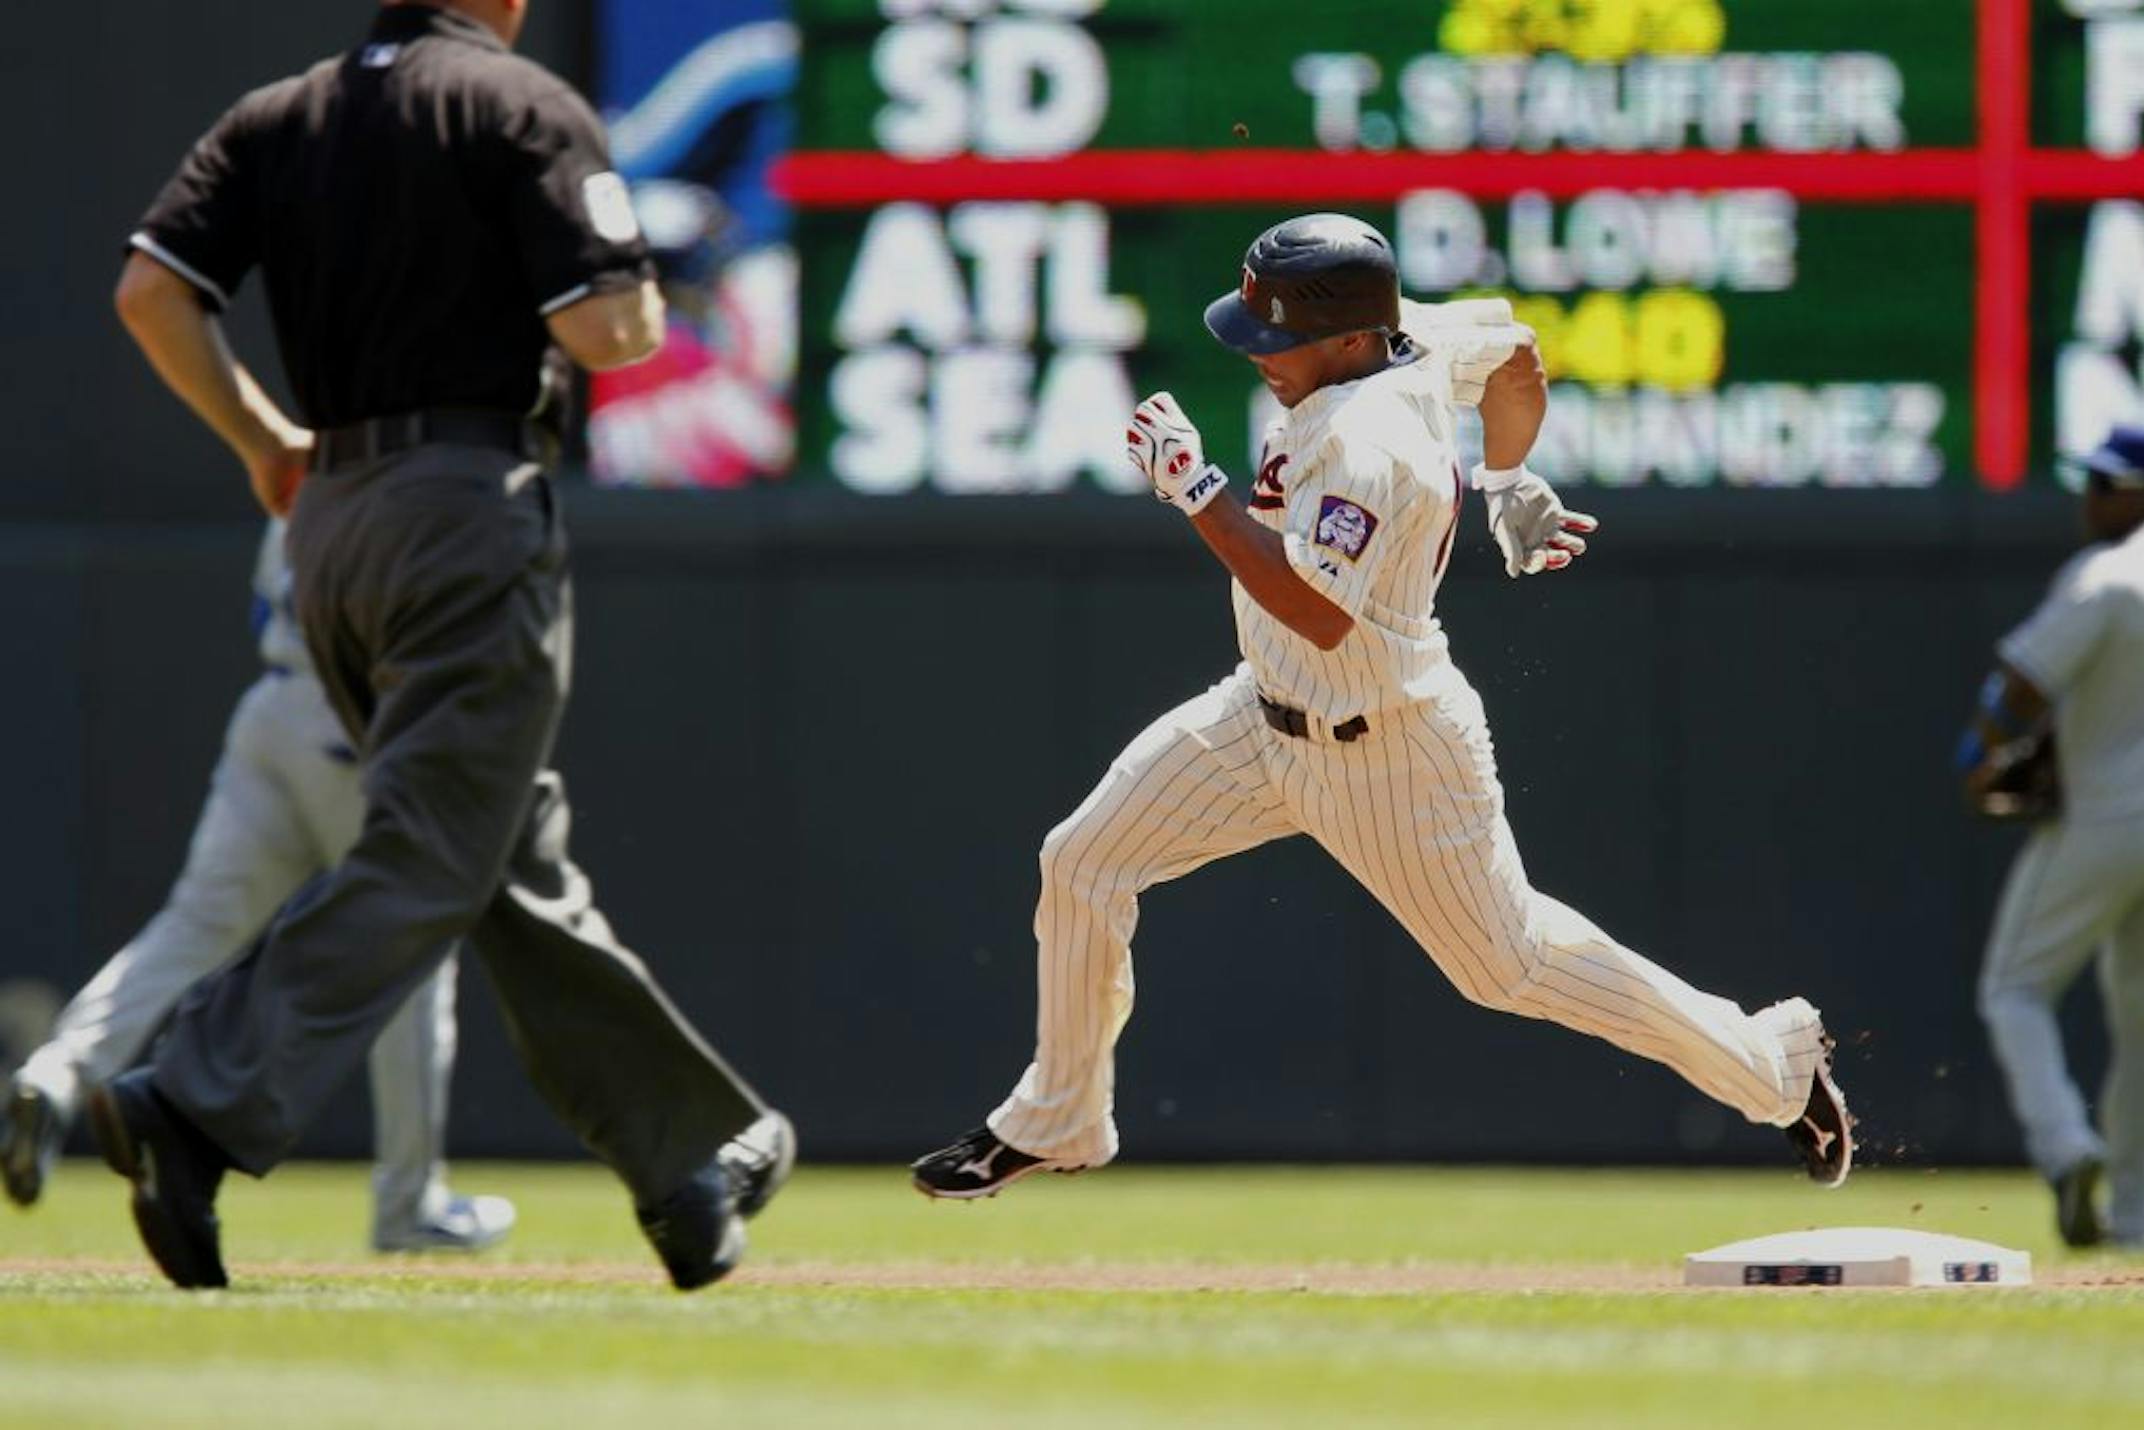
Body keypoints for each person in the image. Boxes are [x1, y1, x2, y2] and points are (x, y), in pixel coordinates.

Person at [911, 213, 1854, 1199]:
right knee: (1084, 860)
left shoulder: (1366, 441)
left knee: (1513, 965)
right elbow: (1517, 353)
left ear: (1354, 338)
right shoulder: (1413, 335)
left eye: (1282, 338)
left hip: (1385, 747)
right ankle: (1060, 1117)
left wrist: (1195, 489)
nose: (1262, 354)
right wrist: (1508, 472)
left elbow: (1317, 611)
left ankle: (1768, 1064)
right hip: (1259, 712)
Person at [98, 0, 791, 1291]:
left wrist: (262, 438)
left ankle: (691, 1164)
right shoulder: (519, 104)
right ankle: (188, 1097)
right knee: (432, 847)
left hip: (333, 533)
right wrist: (643, 297)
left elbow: (153, 292)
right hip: (466, 507)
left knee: (495, 847)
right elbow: (605, 331)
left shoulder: (279, 114)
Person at [2, 523, 512, 1252]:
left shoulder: (307, 463)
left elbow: (264, 607)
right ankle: (409, 1203)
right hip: (357, 717)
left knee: (188, 930)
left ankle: (57, 1073)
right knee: (416, 952)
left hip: (273, 711)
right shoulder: (397, 469)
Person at [1964, 423, 2144, 1251]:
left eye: (2111, 484)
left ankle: (2067, 1148)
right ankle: (2133, 1217)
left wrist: (1979, 759)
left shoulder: (2109, 578)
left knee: (2013, 988)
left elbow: (2022, 683)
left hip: (2109, 820)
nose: (2093, 498)